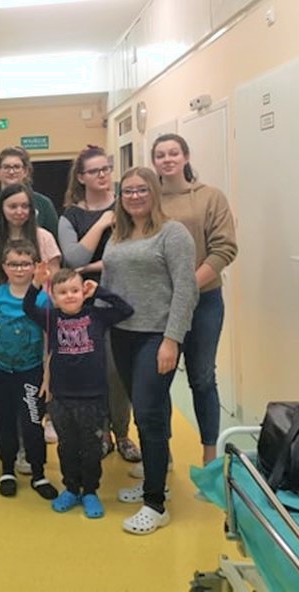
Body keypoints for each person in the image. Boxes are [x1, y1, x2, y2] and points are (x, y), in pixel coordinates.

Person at [102, 167, 197, 535]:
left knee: (148, 413)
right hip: (122, 334)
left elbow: (186, 289)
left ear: (155, 193)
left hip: (156, 336)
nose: (135, 196)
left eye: (142, 190)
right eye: (128, 191)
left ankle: (155, 505)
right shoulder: (119, 235)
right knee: (144, 412)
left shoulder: (173, 233)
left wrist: (172, 339)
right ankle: (153, 482)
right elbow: (110, 282)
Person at [152, 133, 238, 466]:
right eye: (161, 154)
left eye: (174, 153)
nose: (168, 159)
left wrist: (187, 287)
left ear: (186, 157)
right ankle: (162, 455)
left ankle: (210, 458)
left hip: (204, 301)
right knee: (157, 380)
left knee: (202, 378)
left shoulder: (210, 197)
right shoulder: (149, 199)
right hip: (159, 304)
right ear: (154, 161)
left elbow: (224, 248)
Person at [23, 267, 134, 520]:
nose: (70, 296)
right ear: (53, 296)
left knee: (92, 448)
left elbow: (125, 310)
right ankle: (72, 489)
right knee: (67, 447)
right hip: (61, 398)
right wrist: (36, 284)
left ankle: (90, 491)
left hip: (93, 397)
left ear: (84, 292)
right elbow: (28, 308)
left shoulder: (97, 316)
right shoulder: (51, 318)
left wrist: (100, 291)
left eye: (75, 290)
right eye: (63, 292)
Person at [57, 146, 141, 464]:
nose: (103, 175)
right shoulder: (71, 216)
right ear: (81, 177)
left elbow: (133, 256)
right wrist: (103, 223)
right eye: (95, 171)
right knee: (96, 371)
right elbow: (73, 258)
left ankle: (123, 434)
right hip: (87, 305)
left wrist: (91, 267)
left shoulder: (127, 205)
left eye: (106, 168)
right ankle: (102, 433)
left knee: (120, 373)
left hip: (124, 299)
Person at [0, 239, 59, 501]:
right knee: (4, 422)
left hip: (31, 373)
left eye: (25, 264)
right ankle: (7, 470)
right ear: (4, 267)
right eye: (13, 264)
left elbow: (49, 339)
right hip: (0, 371)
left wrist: (48, 375)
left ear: (35, 267)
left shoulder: (42, 299)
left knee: (32, 424)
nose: (19, 269)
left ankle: (38, 473)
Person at [0, 147, 59, 309]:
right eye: (6, 167)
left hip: (39, 309)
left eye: (25, 206)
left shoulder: (44, 233)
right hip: (2, 311)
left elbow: (55, 276)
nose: (19, 212)